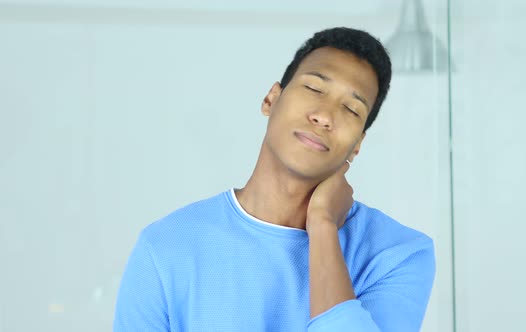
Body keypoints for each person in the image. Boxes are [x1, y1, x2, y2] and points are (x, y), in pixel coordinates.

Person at [113, 27, 435, 332]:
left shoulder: (399, 255)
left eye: (351, 109)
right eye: (313, 88)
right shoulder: (165, 248)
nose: (324, 116)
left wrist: (323, 226)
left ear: (358, 145)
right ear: (271, 99)